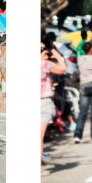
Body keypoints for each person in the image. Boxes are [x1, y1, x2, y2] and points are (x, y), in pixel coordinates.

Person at [41, 40, 66, 174]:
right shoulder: (44, 64)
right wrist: (56, 53)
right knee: (39, 137)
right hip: (43, 102)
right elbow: (63, 68)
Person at [74, 41, 92, 143]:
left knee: (82, 112)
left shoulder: (79, 59)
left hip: (83, 86)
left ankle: (77, 135)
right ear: (91, 49)